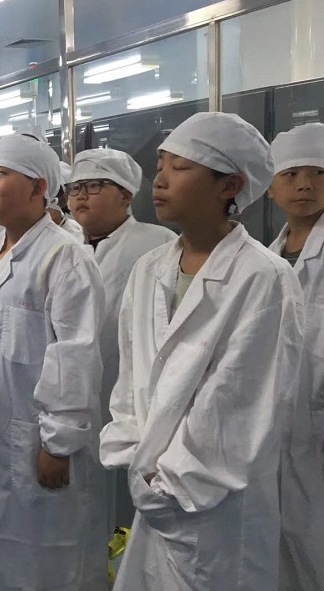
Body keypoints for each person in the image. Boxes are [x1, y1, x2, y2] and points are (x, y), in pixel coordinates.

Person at [99, 112, 306, 591]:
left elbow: (239, 404)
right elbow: (131, 378)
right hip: (150, 484)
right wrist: (137, 459)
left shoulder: (264, 278)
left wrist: (172, 481)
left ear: (229, 185)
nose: (160, 180)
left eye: (180, 167)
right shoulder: (150, 269)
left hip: (214, 497)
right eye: (161, 166)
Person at [0, 133, 109, 591]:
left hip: (34, 440)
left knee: (43, 559)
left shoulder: (64, 257)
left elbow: (75, 356)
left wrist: (58, 444)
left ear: (39, 187)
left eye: (0, 175)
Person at [68, 148, 177, 530]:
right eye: (75, 187)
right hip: (72, 388)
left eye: (95, 186)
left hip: (131, 382)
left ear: (126, 195)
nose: (81, 196)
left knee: (128, 476)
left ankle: (121, 533)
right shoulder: (63, 244)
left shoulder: (158, 243)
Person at [267, 123, 324, 591]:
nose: (305, 184)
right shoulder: (269, 256)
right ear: (271, 188)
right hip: (278, 420)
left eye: (318, 172)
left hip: (317, 421)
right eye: (291, 174)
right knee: (283, 538)